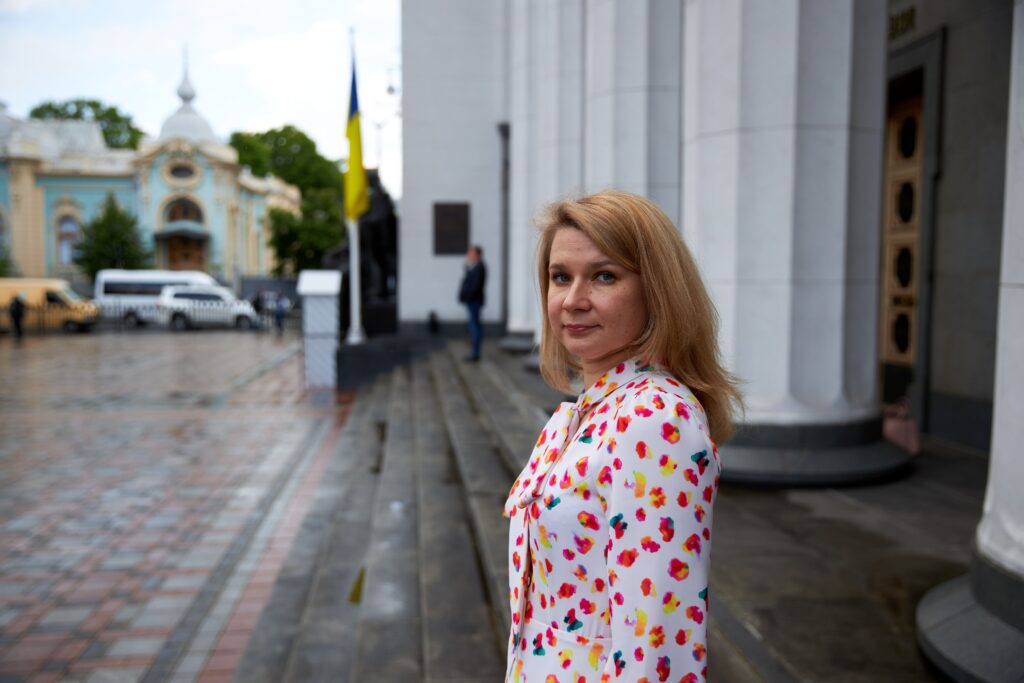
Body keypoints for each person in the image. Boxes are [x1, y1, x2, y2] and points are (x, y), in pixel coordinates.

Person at [504, 191, 741, 682]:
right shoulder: (580, 415)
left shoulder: (655, 420)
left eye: (604, 276)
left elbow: (660, 641)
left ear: (656, 290)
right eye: (560, 277)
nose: (573, 300)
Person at [458, 245, 487, 361]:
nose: (469, 256)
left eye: (472, 254)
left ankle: (475, 353)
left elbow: (475, 286)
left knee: (474, 326)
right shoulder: (473, 266)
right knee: (473, 325)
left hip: (474, 300)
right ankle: (474, 351)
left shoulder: (479, 267)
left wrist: (466, 296)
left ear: (478, 255)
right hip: (472, 300)